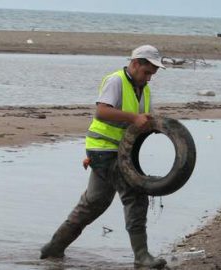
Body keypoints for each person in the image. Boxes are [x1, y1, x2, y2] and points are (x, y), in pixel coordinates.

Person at [40, 45, 167, 269]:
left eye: (152, 74)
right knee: (135, 195)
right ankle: (142, 258)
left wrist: (151, 124)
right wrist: (133, 118)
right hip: (104, 149)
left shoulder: (144, 89)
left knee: (94, 203)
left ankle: (53, 248)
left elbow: (139, 120)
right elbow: (102, 111)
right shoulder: (115, 81)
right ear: (135, 63)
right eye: (147, 72)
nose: (149, 78)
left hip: (121, 152)